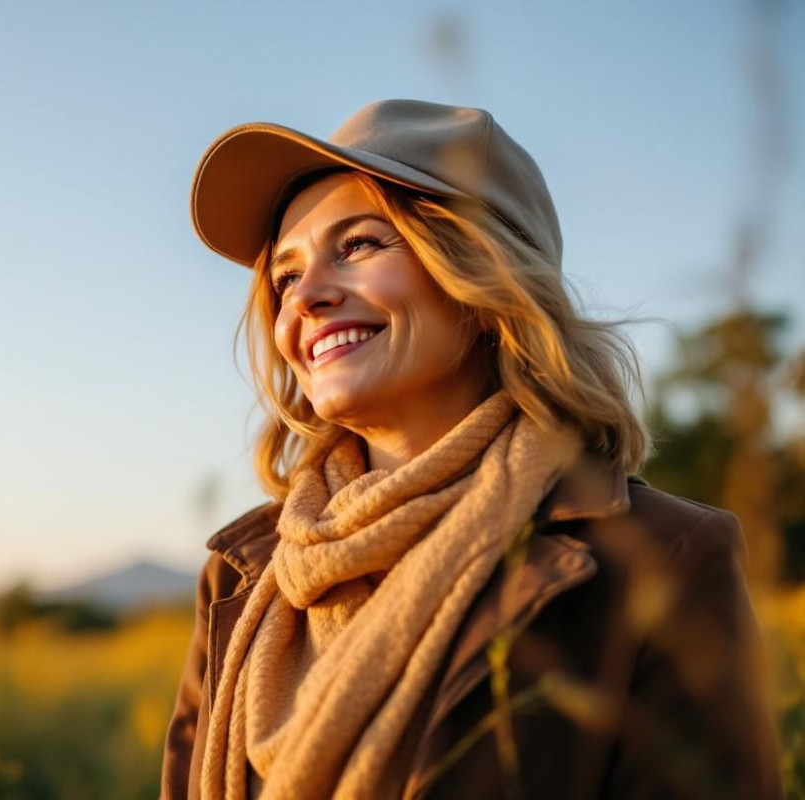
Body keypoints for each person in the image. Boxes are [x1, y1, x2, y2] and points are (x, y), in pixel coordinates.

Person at [160, 99, 782, 800]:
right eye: (286, 276)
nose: (305, 299)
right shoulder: (238, 578)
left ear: (486, 278)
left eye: (358, 245)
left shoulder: (663, 559)